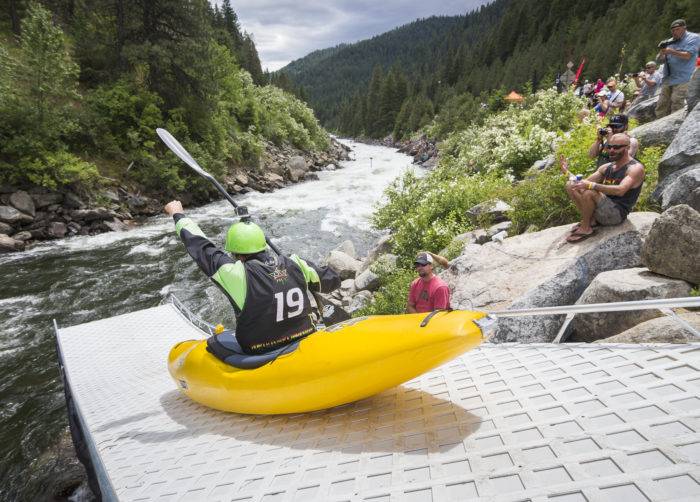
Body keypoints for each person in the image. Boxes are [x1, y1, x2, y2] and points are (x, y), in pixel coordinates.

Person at [164, 200, 339, 354]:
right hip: (304, 339)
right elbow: (332, 281)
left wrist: (178, 215)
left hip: (260, 351)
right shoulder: (296, 264)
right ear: (263, 245)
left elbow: (200, 246)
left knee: (216, 342)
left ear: (236, 254)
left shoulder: (234, 274)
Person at [561, 134, 645, 243]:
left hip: (617, 214)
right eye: (609, 147)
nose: (611, 150)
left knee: (590, 192)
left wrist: (592, 186)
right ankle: (591, 221)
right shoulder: (607, 167)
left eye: (616, 147)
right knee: (571, 185)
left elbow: (620, 190)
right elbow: (582, 183)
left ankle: (586, 228)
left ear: (628, 147)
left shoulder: (635, 168)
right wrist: (567, 172)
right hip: (602, 208)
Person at [656, 19, 700, 118]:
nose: (674, 32)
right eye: (673, 30)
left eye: (677, 29)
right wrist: (662, 54)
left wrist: (671, 51)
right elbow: (659, 60)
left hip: (684, 78)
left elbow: (688, 55)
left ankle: (675, 127)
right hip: (668, 77)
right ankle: (658, 127)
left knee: (677, 102)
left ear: (684, 28)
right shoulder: (670, 41)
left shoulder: (694, 38)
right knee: (661, 104)